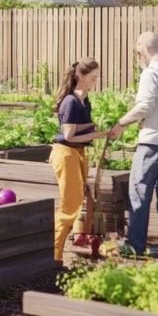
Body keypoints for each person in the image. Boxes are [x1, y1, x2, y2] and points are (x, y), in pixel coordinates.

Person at [107, 32, 158, 256]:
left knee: (139, 192)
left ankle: (135, 245)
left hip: (153, 142)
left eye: (137, 52)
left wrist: (122, 123)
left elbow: (146, 105)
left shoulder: (151, 72)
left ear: (142, 50)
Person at [48, 59, 108, 262]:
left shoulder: (84, 100)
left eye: (97, 77)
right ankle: (53, 255)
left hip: (78, 153)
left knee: (74, 202)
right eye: (93, 77)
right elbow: (69, 135)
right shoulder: (70, 102)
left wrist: (96, 128)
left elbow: (76, 129)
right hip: (66, 153)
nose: (96, 81)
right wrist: (98, 135)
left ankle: (54, 253)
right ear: (80, 76)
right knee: (70, 205)